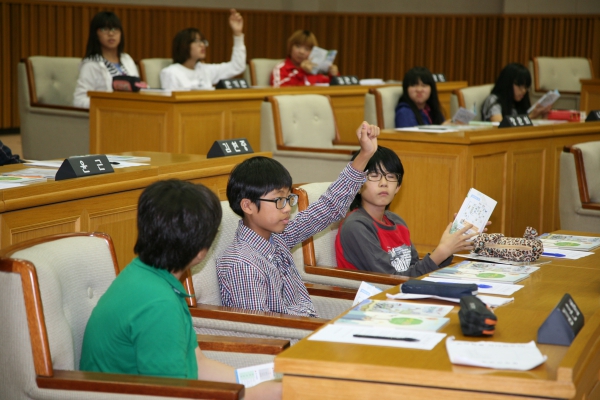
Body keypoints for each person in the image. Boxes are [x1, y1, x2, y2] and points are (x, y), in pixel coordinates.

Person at [80, 180, 280, 400]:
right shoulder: (158, 304)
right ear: (200, 250)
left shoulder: (145, 274)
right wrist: (250, 396)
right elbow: (171, 395)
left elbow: (198, 364)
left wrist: (255, 387)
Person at [217, 122, 379, 316]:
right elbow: (262, 330)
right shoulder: (242, 264)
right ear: (248, 205)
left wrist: (364, 155)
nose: (287, 208)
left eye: (288, 199)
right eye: (278, 200)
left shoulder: (278, 238)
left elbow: (328, 208)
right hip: (292, 339)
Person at [335, 146, 477, 276]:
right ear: (357, 185)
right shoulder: (356, 226)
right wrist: (441, 252)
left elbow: (415, 269)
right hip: (373, 298)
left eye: (391, 177)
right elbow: (389, 280)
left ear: (398, 187)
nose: (383, 183)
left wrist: (451, 245)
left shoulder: (397, 222)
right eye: (374, 176)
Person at [160, 9, 246, 90]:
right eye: (197, 41)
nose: (202, 45)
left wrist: (237, 34)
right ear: (184, 45)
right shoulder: (171, 73)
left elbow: (237, 66)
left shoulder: (205, 70)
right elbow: (170, 103)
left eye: (203, 41)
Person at [73, 11, 144, 109]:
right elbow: (79, 100)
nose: (111, 33)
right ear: (96, 34)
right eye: (104, 29)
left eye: (115, 29)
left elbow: (138, 88)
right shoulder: (91, 64)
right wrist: (107, 105)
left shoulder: (127, 59)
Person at [481, 63, 552, 122]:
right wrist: (531, 117)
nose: (524, 91)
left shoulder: (520, 101)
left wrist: (544, 114)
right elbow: (500, 126)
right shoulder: (493, 100)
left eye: (526, 87)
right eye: (520, 86)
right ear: (508, 83)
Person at [270, 30, 339, 87]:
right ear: (290, 47)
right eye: (298, 46)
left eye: (307, 49)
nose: (301, 52)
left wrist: (334, 76)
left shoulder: (315, 69)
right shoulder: (281, 68)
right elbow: (278, 90)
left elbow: (331, 88)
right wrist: (302, 72)